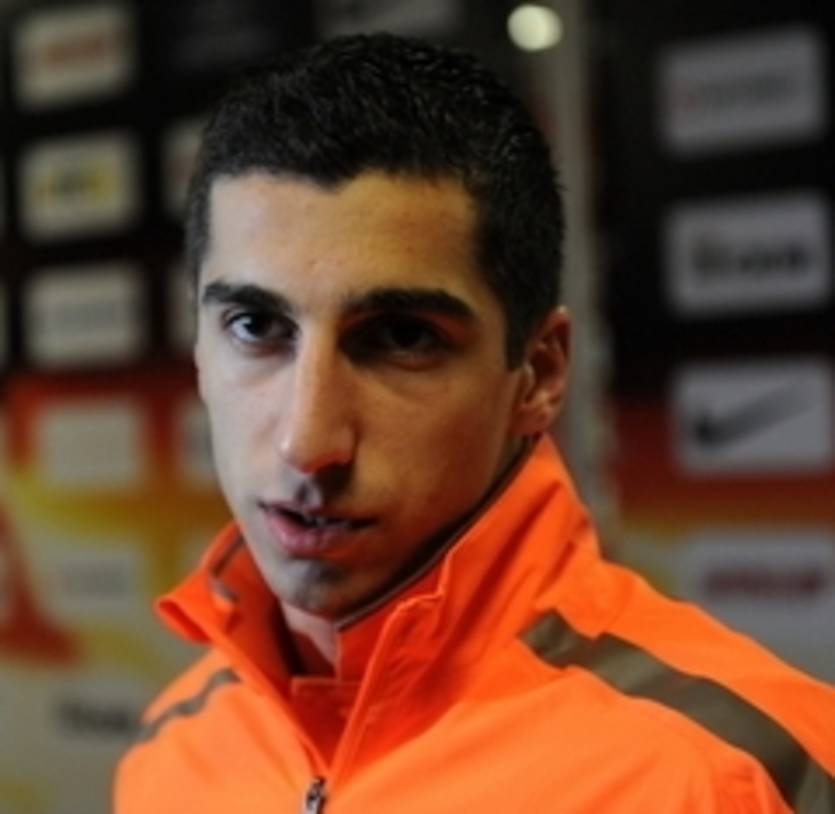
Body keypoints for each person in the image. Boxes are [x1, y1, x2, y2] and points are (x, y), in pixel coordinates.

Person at [114, 33, 835, 813]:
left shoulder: (742, 775)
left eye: (400, 337)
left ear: (539, 373)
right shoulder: (170, 755)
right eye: (255, 326)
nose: (308, 442)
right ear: (198, 345)